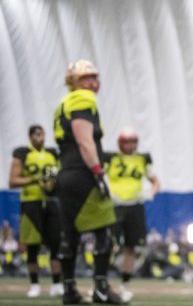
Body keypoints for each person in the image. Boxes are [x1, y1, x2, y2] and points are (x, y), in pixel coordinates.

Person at [52, 59, 124, 304]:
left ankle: (69, 290)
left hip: (66, 173)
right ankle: (101, 288)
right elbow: (85, 141)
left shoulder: (63, 103)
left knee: (69, 236)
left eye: (94, 76)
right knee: (105, 234)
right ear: (74, 82)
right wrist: (97, 172)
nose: (92, 82)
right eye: (85, 78)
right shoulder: (84, 99)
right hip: (82, 173)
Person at [103, 127, 161, 302]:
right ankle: (101, 283)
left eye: (132, 141)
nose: (130, 145)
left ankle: (125, 285)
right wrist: (106, 193)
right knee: (107, 244)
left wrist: (150, 193)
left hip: (135, 206)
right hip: (115, 206)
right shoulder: (111, 158)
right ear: (120, 143)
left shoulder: (141, 160)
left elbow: (155, 181)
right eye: (126, 142)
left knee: (132, 246)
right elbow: (99, 176)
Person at [8, 125, 63, 298]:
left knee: (55, 244)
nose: (41, 137)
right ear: (30, 136)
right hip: (30, 203)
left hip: (49, 202)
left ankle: (56, 283)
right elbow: (13, 181)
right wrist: (34, 180)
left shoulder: (51, 154)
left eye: (43, 134)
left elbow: (51, 180)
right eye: (37, 134)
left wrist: (49, 185)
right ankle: (34, 284)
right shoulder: (23, 153)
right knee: (33, 246)